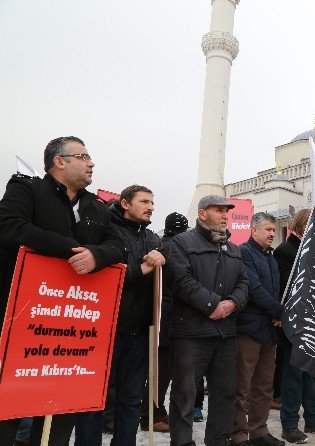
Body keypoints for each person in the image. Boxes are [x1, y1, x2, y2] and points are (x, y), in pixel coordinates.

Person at [0, 137, 124, 446]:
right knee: (10, 408)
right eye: (83, 156)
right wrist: (71, 251)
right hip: (24, 321)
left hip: (72, 330)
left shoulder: (96, 205)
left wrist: (97, 256)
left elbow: (118, 245)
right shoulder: (27, 189)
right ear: (60, 162)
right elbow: (10, 226)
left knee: (59, 411)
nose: (91, 163)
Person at [79, 185, 166, 446]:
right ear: (126, 204)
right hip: (105, 331)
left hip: (139, 332)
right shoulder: (108, 232)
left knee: (131, 399)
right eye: (144, 201)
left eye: (152, 201)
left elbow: (162, 284)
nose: (151, 206)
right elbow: (102, 277)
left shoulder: (153, 237)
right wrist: (143, 268)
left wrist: (162, 262)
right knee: (95, 398)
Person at [169, 195, 249, 446]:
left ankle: (219, 440)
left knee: (225, 393)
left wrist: (232, 304)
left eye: (227, 211)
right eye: (218, 210)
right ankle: (182, 442)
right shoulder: (182, 242)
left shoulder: (234, 249)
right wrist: (212, 305)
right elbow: (182, 280)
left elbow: (244, 283)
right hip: (192, 333)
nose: (225, 215)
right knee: (185, 394)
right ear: (202, 214)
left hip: (225, 333)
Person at [274, 210, 315, 444]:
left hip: (313, 321)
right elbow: (284, 287)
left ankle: (313, 417)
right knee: (293, 375)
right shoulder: (286, 251)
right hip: (293, 323)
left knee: (311, 370)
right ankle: (289, 424)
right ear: (304, 227)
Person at [232, 213, 284, 446]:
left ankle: (259, 431)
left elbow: (275, 292)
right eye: (268, 229)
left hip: (269, 331)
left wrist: (277, 314)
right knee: (241, 388)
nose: (272, 234)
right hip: (248, 330)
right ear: (254, 230)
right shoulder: (244, 253)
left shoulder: (271, 258)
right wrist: (278, 311)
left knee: (264, 387)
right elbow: (254, 289)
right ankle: (239, 435)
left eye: (274, 230)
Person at [141, 212, 190, 432]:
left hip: (161, 314)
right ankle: (152, 413)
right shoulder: (174, 248)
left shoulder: (162, 245)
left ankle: (154, 411)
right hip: (167, 316)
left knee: (160, 368)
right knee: (161, 370)